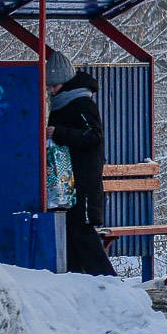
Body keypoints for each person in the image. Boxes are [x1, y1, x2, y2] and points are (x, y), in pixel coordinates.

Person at [46, 51, 115, 276]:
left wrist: (60, 133)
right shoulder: (62, 105)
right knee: (72, 230)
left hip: (83, 180)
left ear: (65, 81)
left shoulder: (82, 104)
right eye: (49, 86)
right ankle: (76, 278)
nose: (51, 90)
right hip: (69, 181)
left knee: (81, 229)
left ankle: (106, 278)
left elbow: (94, 136)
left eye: (54, 85)